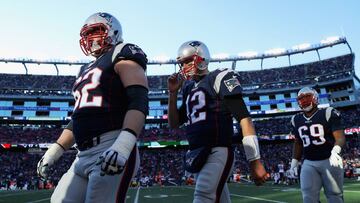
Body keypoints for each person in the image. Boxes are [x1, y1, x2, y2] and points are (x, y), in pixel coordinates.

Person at [36, 12, 148, 203]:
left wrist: (123, 145)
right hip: (82, 154)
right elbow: (79, 116)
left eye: (96, 31)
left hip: (110, 146)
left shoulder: (122, 52)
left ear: (113, 32)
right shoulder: (84, 69)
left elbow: (138, 100)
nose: (91, 38)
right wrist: (55, 150)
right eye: (87, 34)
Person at [167, 40, 268, 203]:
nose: (184, 66)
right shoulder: (187, 88)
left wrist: (254, 160)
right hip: (198, 153)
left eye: (187, 61)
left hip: (218, 150)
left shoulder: (220, 77)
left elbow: (244, 118)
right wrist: (172, 94)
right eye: (182, 63)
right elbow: (174, 123)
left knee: (203, 196)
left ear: (201, 58)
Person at [289, 87, 345, 203]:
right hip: (309, 162)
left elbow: (340, 137)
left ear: (315, 98)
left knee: (335, 196)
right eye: (301, 98)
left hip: (329, 160)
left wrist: (335, 151)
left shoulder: (328, 112)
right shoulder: (296, 119)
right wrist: (294, 162)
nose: (304, 101)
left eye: (307, 97)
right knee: (308, 197)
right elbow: (298, 142)